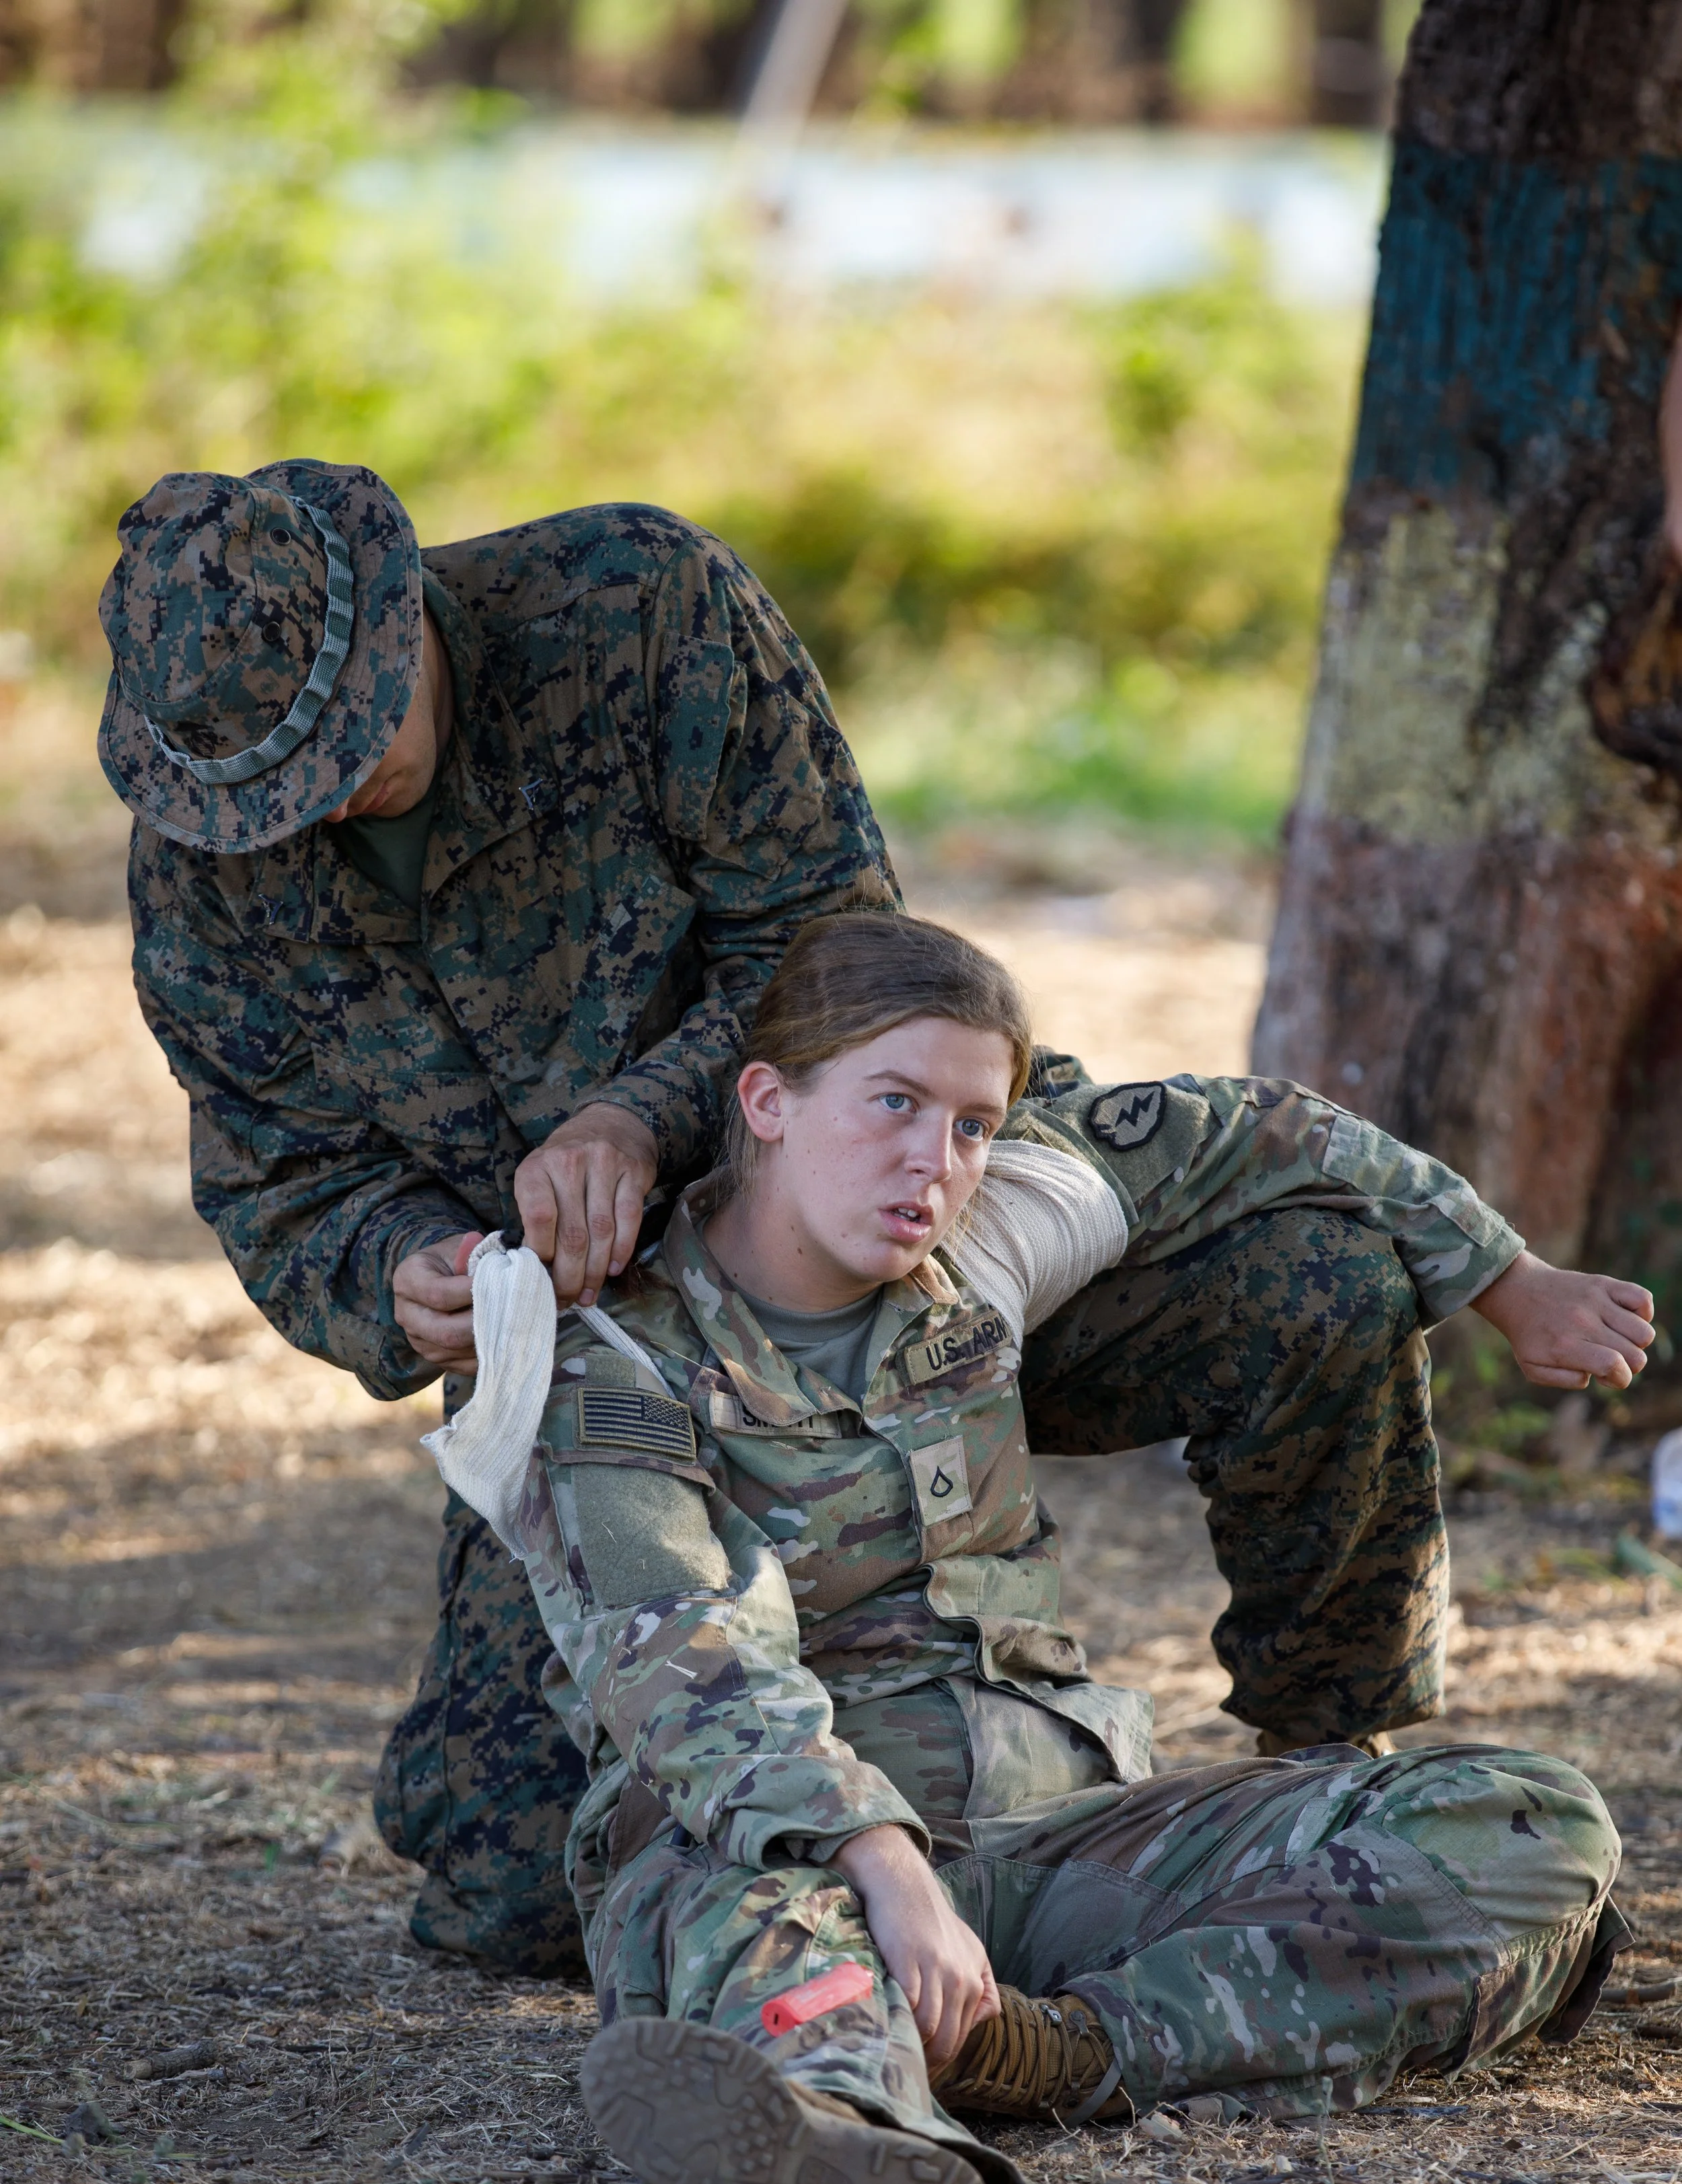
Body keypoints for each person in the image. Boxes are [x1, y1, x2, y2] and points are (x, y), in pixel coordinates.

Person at [100, 464, 1656, 1981]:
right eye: (266, 794)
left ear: (408, 622)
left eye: (350, 747)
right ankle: (825, 1821)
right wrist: (392, 1280)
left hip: (903, 1247)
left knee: (1314, 1273)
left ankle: (1330, 1753)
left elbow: (842, 940)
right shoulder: (211, 868)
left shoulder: (634, 613)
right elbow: (280, 1178)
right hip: (635, 1373)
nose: (321, 803)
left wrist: (637, 1115)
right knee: (518, 1903)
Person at [434, 910, 1636, 2184]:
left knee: (1528, 1821)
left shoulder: (984, 1251)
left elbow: (1259, 1126)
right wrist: (883, 1866)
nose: (931, 1163)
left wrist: (1501, 1276)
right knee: (747, 1926)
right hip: (784, 1845)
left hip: (1054, 1841)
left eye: (968, 1124)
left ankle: (1053, 2054)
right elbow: (698, 1661)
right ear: (765, 1102)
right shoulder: (613, 1360)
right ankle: (841, 2126)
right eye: (891, 1104)